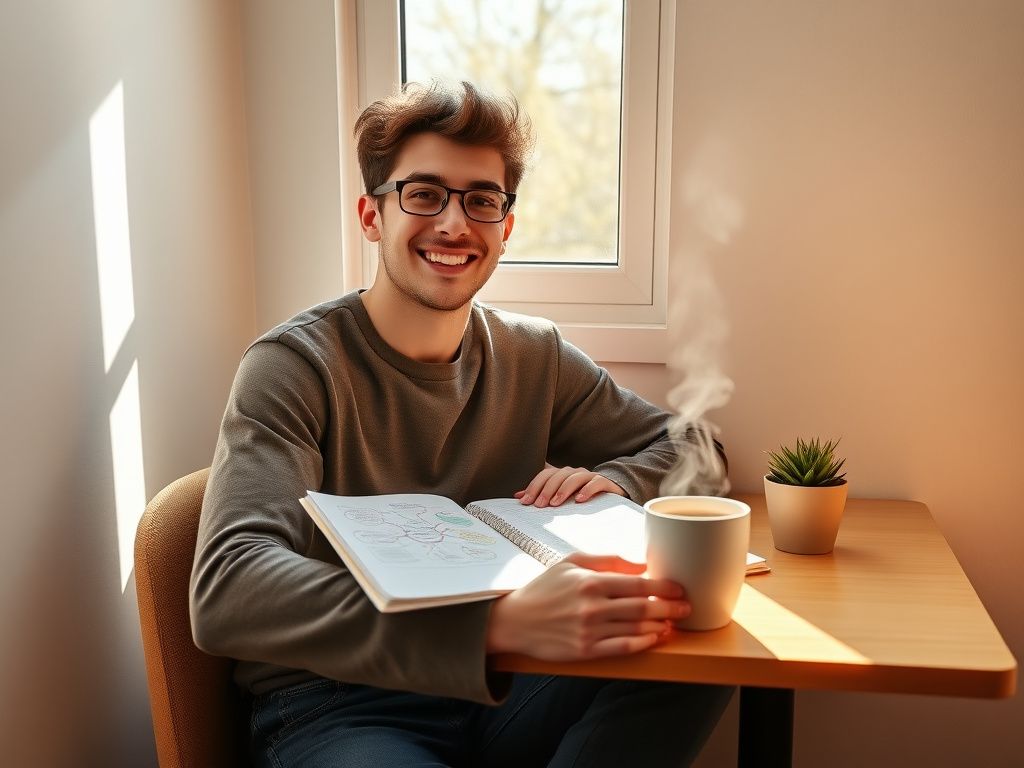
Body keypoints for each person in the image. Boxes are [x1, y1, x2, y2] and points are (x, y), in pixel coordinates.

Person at [190, 80, 732, 767]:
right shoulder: (294, 367)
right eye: (423, 194)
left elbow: (696, 447)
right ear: (371, 215)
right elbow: (230, 589)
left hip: (505, 686)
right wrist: (486, 626)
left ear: (506, 227)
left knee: (701, 634)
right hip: (341, 703)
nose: (454, 224)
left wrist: (614, 480)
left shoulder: (531, 355)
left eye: (481, 200)